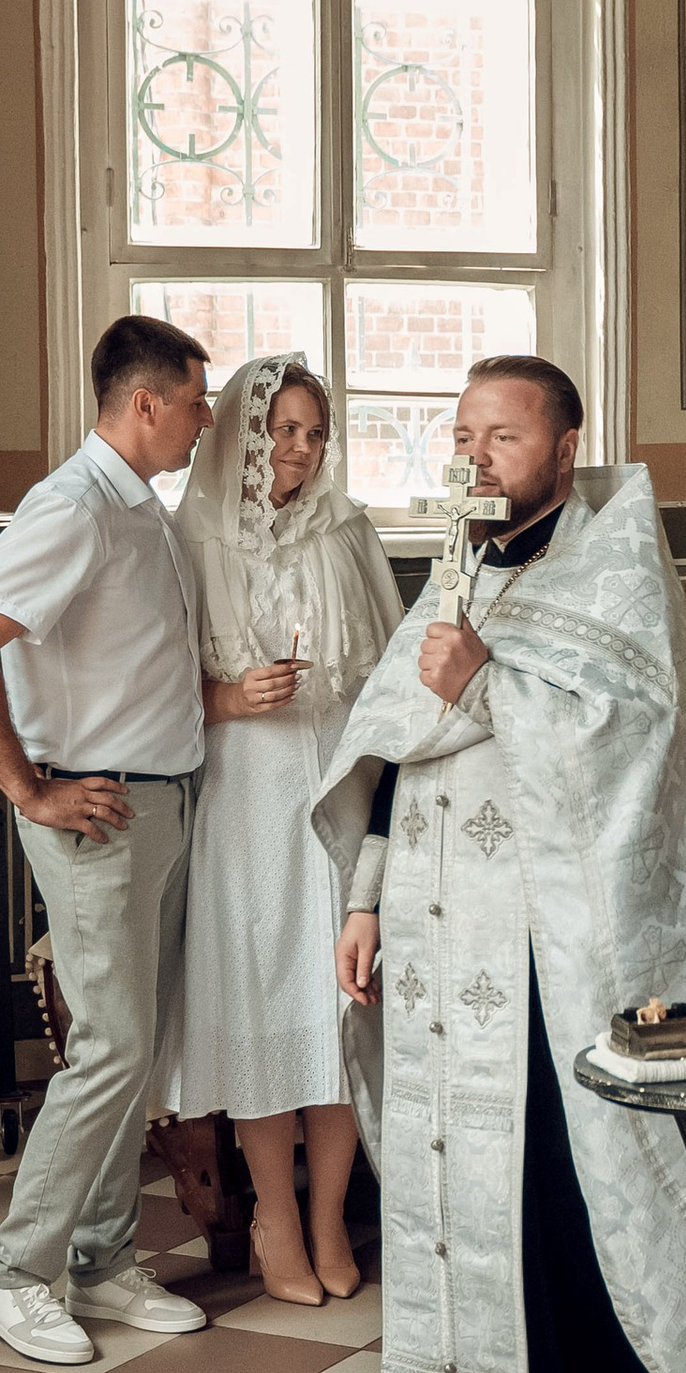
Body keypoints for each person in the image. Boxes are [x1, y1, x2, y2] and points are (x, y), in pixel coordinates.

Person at [315, 355, 686, 1373]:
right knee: (449, 1166)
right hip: (436, 930)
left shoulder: (611, 569)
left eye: (503, 436)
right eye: (463, 435)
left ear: (564, 447)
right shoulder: (456, 564)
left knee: (550, 1160)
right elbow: (395, 750)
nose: (477, 457)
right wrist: (363, 897)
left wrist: (488, 680)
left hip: (548, 941)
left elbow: (633, 744)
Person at [0, 316, 216, 1369]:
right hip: (98, 813)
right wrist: (27, 789)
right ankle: (14, 1275)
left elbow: (129, 667)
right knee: (110, 1049)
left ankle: (98, 1260)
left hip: (161, 803)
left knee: (135, 1050)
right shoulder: (72, 507)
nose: (205, 417)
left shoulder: (143, 510)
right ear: (144, 404)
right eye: (195, 399)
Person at [160, 353, 402, 1303]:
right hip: (246, 793)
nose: (299, 449)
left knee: (340, 1003)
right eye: (282, 429)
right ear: (240, 435)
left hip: (337, 780)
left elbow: (386, 666)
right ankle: (272, 1215)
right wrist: (223, 698)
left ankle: (332, 1214)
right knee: (266, 1000)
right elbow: (147, 686)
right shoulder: (189, 538)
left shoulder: (346, 530)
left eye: (313, 431)